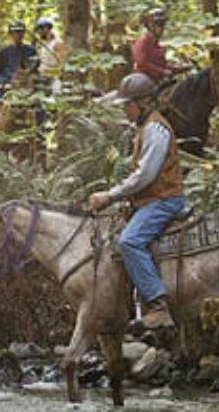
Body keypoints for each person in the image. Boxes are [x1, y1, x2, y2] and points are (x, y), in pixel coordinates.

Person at [88, 73, 185, 329]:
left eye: (127, 105)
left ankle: (158, 305)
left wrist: (110, 195)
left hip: (164, 200)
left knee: (129, 242)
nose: (124, 110)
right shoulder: (145, 127)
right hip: (150, 200)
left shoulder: (155, 129)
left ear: (142, 103)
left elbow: (145, 175)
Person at [0, 20, 38, 115]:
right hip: (7, 84)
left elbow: (35, 69)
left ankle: (43, 127)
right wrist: (1, 84)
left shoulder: (31, 50)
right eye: (15, 32)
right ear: (11, 34)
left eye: (20, 32)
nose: (18, 35)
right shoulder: (4, 51)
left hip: (26, 85)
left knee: (39, 104)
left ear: (24, 33)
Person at [132, 8, 189, 84]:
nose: (162, 28)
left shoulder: (158, 46)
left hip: (159, 79)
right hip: (144, 81)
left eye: (163, 25)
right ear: (150, 26)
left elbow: (161, 65)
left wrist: (177, 68)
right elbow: (142, 63)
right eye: (159, 25)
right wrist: (163, 71)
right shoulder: (142, 42)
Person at [34, 17, 66, 94]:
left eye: (40, 29)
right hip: (43, 77)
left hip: (54, 78)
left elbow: (60, 62)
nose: (39, 32)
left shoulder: (57, 43)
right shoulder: (44, 44)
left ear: (46, 28)